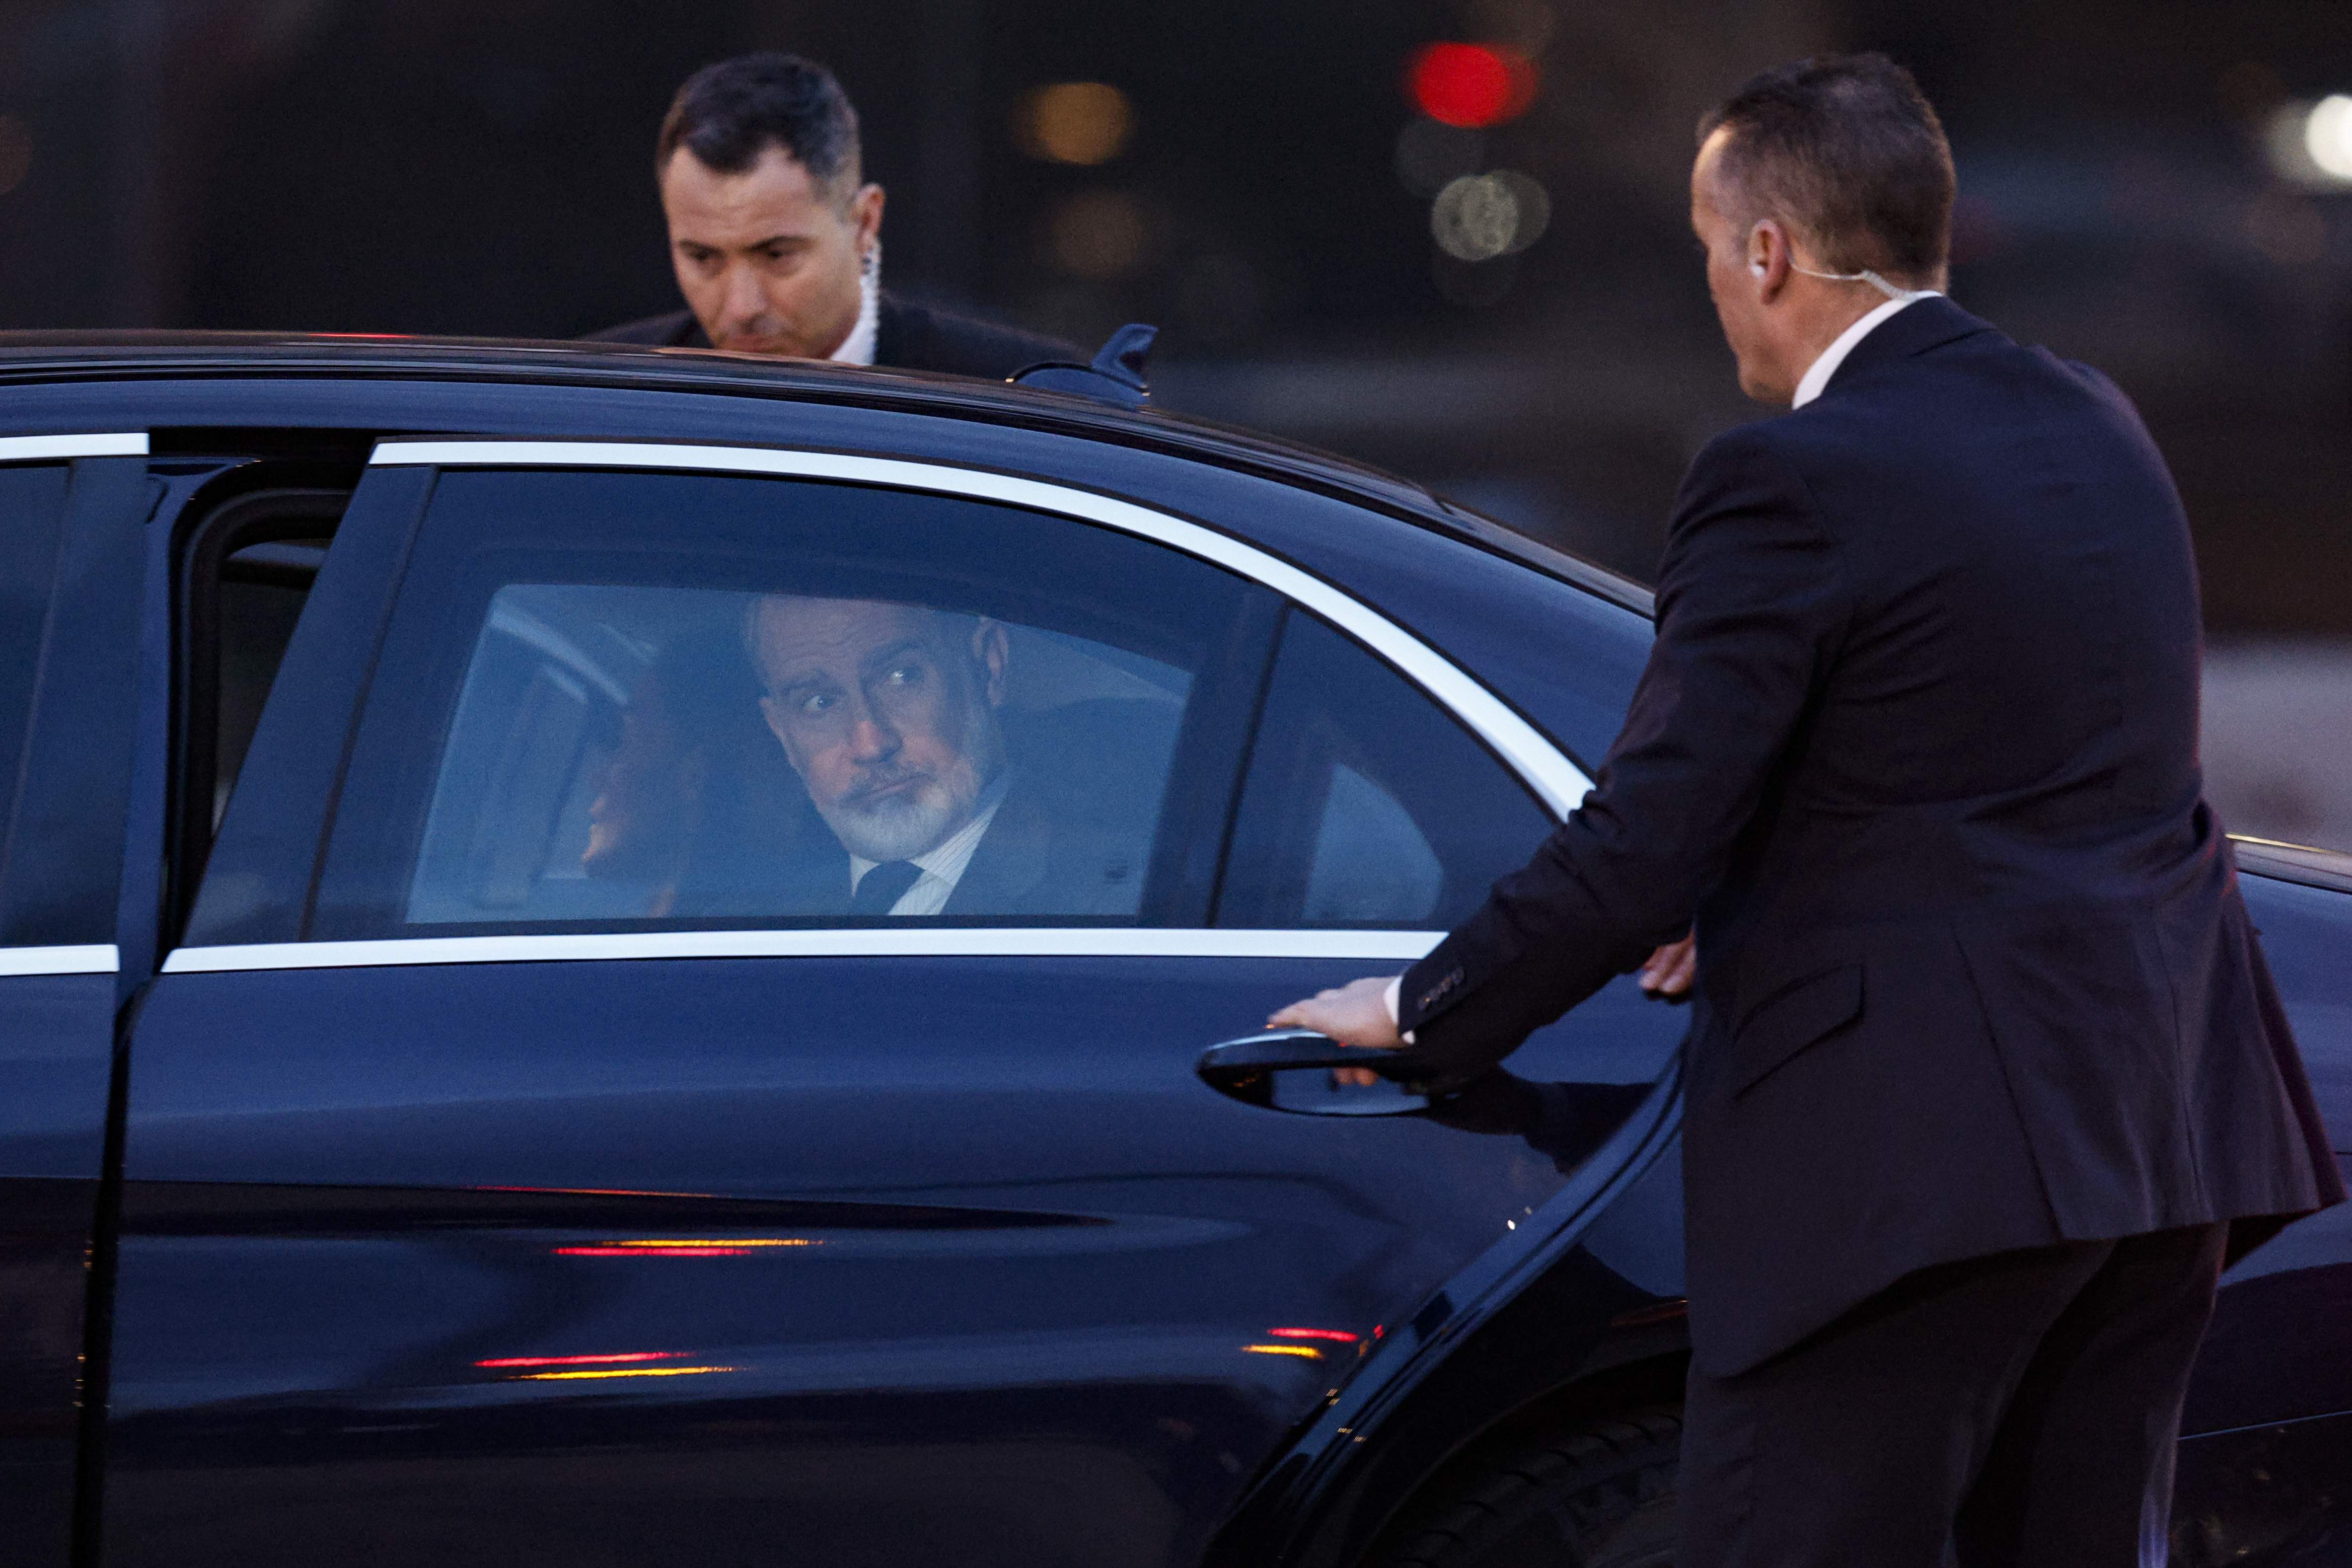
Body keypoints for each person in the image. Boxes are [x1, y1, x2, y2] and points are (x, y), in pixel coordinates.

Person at [1271, 53, 2343, 1567]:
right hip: (2161, 1141)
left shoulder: (1788, 477)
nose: (1714, 288)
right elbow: (2001, 762)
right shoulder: (2093, 417)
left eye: (1714, 248)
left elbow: (1649, 837)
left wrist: (1429, 1007)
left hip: (1916, 1183)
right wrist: (1775, 891)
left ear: (1766, 251)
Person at [590, 52, 1076, 379]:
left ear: (865, 223)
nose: (741, 307)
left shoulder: (1021, 399)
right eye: (702, 258)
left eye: (777, 254)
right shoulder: (601, 393)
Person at [744, 592, 1139, 917]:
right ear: (782, 732)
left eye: (902, 677)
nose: (870, 744)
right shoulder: (748, 918)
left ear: (989, 666)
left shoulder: (1117, 897)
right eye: (820, 702)